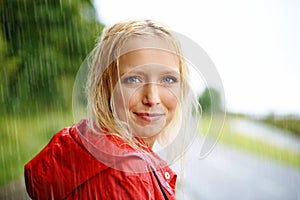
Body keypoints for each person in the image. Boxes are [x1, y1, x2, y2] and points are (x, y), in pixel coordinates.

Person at [24, 19, 199, 199]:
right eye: (133, 79)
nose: (152, 98)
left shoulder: (84, 145)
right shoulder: (128, 174)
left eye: (168, 79)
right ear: (106, 86)